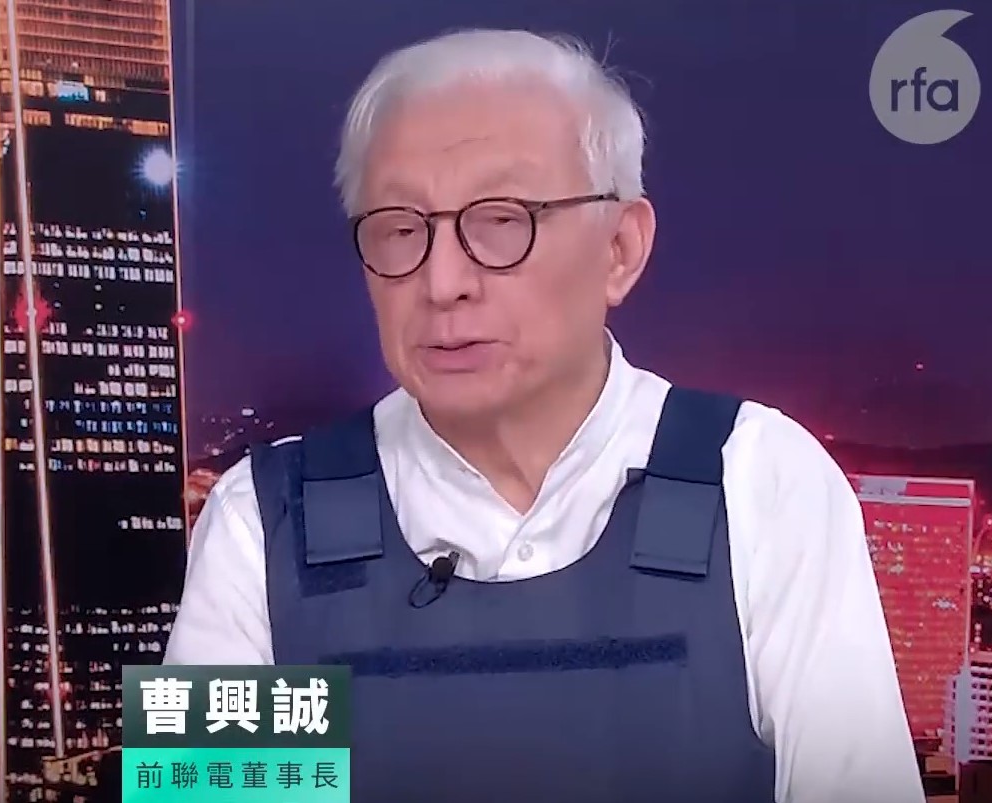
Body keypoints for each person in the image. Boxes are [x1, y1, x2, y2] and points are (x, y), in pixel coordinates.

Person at [166, 29, 924, 803]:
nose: (442, 281)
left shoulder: (760, 481)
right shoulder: (261, 520)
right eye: (399, 228)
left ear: (619, 248)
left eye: (501, 221)